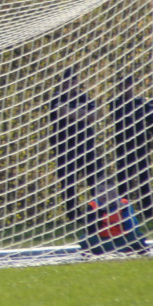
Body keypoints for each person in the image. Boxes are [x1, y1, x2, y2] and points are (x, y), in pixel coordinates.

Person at [48, 67, 106, 221]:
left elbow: (95, 114)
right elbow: (61, 111)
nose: (70, 84)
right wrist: (82, 114)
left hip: (85, 145)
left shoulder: (83, 97)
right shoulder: (56, 97)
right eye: (67, 80)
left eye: (73, 80)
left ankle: (103, 210)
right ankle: (74, 216)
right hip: (64, 147)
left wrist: (74, 113)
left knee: (96, 178)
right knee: (69, 183)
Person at [111, 75, 153, 221]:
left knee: (144, 178)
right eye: (124, 85)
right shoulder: (116, 103)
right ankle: (123, 211)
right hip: (124, 145)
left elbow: (150, 122)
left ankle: (148, 211)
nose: (128, 88)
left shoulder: (142, 102)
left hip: (141, 144)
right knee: (124, 179)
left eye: (130, 84)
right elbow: (121, 120)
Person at [79, 183, 148, 256]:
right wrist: (101, 212)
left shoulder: (124, 203)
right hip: (102, 240)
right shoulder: (92, 205)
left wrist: (125, 212)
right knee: (85, 240)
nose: (105, 195)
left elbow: (134, 228)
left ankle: (113, 251)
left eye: (109, 192)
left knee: (138, 236)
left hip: (122, 239)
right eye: (101, 192)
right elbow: (88, 230)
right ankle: (120, 251)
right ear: (97, 193)